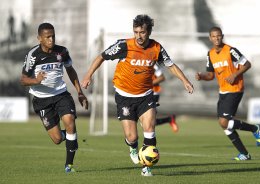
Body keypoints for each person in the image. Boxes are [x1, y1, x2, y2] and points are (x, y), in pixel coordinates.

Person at [82, 14, 194, 176]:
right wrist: (88, 75)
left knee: (149, 129)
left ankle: (146, 166)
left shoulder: (156, 48)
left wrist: (185, 80)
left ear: (149, 32)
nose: (138, 36)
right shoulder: (124, 46)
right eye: (136, 32)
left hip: (146, 96)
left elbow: (171, 65)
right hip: (124, 96)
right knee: (132, 136)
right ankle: (133, 148)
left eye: (142, 32)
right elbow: (101, 57)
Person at [20, 23, 88, 172]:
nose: (51, 39)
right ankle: (71, 136)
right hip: (41, 99)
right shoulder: (33, 55)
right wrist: (36, 81)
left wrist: (80, 92)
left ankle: (69, 165)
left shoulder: (62, 52)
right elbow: (23, 79)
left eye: (53, 36)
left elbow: (70, 71)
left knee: (69, 121)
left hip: (60, 94)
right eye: (47, 37)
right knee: (57, 139)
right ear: (39, 38)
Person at [195, 26, 260, 160]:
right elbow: (210, 75)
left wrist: (235, 75)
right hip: (223, 91)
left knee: (224, 122)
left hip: (235, 89)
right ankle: (244, 154)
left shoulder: (231, 50)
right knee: (225, 125)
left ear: (222, 36)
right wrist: (202, 76)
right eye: (213, 36)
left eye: (218, 35)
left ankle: (255, 129)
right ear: (210, 38)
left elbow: (247, 64)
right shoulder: (210, 54)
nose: (216, 38)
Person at [153, 64, 178, 132]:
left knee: (148, 122)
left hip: (152, 93)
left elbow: (162, 78)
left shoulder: (150, 63)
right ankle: (169, 119)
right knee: (148, 122)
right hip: (140, 94)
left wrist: (146, 85)